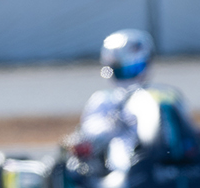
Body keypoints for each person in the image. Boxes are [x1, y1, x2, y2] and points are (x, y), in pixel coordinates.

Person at [74, 29, 188, 173]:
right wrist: (114, 123)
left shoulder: (166, 94)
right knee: (120, 148)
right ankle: (130, 174)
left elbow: (185, 125)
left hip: (164, 146)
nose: (130, 76)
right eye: (123, 70)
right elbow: (90, 130)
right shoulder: (105, 99)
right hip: (125, 146)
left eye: (135, 68)